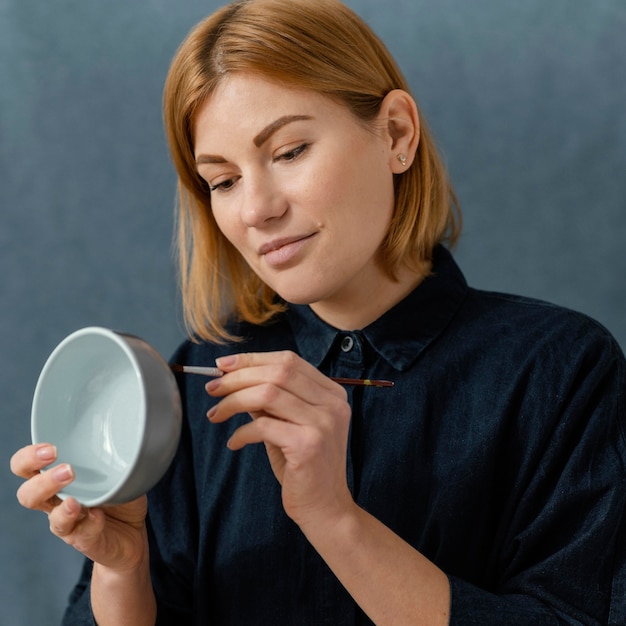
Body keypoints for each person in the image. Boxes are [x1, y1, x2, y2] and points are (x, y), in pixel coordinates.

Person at [10, 0, 626, 623]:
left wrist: (335, 519)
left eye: (289, 151)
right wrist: (123, 568)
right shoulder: (196, 378)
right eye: (222, 181)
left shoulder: (559, 370)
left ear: (396, 135)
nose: (256, 210)